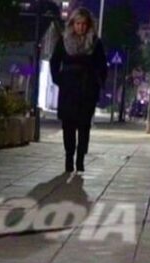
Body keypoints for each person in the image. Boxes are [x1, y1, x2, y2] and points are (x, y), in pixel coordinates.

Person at [50, 7, 107, 172]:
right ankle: (69, 156)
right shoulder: (64, 41)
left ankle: (80, 158)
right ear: (72, 24)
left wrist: (97, 83)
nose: (80, 27)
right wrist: (59, 79)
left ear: (88, 25)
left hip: (87, 89)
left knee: (84, 126)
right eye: (78, 23)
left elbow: (102, 66)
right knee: (68, 125)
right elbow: (55, 61)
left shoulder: (95, 43)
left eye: (84, 24)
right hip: (68, 89)